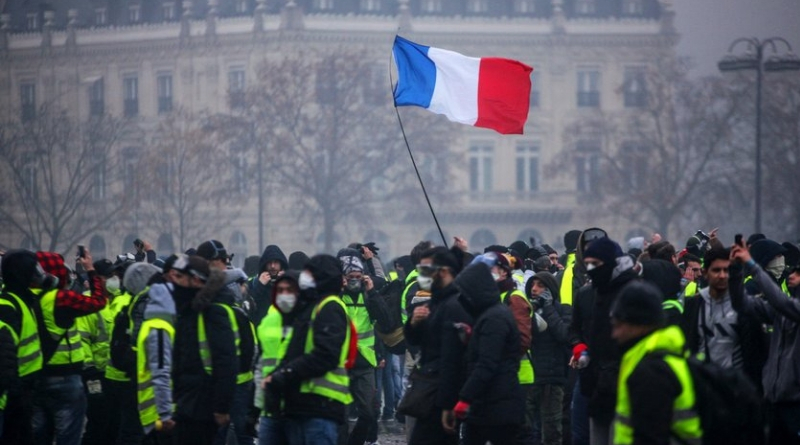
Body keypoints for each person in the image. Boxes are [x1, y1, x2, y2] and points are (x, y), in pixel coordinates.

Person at [264, 254, 353, 445]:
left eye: (309, 273)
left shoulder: (329, 306)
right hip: (303, 404)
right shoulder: (312, 307)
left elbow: (325, 355)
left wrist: (284, 374)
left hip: (321, 405)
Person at [610, 281, 702, 445]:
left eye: (619, 325)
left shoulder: (651, 371)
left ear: (639, 324)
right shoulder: (669, 355)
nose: (614, 334)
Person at [32, 250, 107, 445]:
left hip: (35, 376)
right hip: (65, 376)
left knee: (40, 435)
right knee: (68, 436)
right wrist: (90, 270)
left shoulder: (21, 296)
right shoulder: (59, 298)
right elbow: (98, 301)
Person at [569, 236, 638, 445]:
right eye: (588, 263)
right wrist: (579, 346)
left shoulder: (633, 291)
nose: (590, 268)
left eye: (595, 264)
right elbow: (575, 328)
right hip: (594, 379)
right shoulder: (589, 293)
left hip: (624, 382)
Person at [730, 242, 800, 444]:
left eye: (798, 272)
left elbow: (781, 302)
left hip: (795, 405)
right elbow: (742, 303)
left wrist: (751, 265)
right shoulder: (783, 312)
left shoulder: (789, 307)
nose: (791, 274)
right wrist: (735, 271)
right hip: (773, 401)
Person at [453, 261, 524, 445]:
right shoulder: (490, 314)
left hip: (497, 404)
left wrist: (465, 397)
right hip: (490, 402)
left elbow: (487, 363)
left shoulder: (494, 318)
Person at [403, 246, 469, 445]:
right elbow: (417, 341)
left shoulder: (454, 305)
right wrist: (414, 323)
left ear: (444, 271)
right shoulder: (434, 301)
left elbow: (452, 359)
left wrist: (448, 405)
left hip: (440, 396)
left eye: (427, 269)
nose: (422, 275)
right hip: (429, 390)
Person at [171, 256, 238, 445]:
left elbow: (226, 361)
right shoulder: (185, 312)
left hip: (204, 407)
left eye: (180, 277)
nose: (175, 283)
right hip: (186, 404)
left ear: (197, 280)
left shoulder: (213, 312)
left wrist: (221, 407)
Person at [679, 247, 765, 386]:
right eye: (716, 270)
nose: (722, 275)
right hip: (704, 387)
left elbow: (755, 354)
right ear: (705, 273)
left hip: (738, 388)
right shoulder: (694, 305)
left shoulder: (746, 306)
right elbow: (688, 346)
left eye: (727, 270)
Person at [0, 249, 49, 445]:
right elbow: (5, 355)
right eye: (32, 270)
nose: (36, 275)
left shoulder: (23, 299)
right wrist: (15, 390)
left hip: (26, 391)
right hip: (12, 396)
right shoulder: (7, 305)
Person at [336, 252, 378, 445]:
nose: (354, 281)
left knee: (369, 413)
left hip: (365, 361)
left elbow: (385, 322)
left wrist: (373, 292)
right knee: (341, 417)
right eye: (350, 277)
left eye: (357, 277)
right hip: (342, 363)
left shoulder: (367, 296)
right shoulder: (336, 298)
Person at [256, 271, 302, 445]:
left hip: (297, 408)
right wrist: (255, 409)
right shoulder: (269, 320)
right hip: (270, 407)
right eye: (280, 290)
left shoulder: (310, 319)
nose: (284, 295)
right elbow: (260, 364)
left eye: (289, 290)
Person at [527, 271, 572, 445]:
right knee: (526, 428)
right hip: (531, 377)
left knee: (552, 430)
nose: (534, 289)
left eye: (540, 286)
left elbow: (563, 334)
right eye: (533, 285)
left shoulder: (561, 309)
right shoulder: (528, 310)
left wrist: (548, 308)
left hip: (552, 380)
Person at [249, 245, 289, 324]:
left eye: (276, 262)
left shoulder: (289, 282)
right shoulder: (254, 283)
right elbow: (249, 307)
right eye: (269, 263)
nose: (272, 266)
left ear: (281, 264)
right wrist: (260, 286)